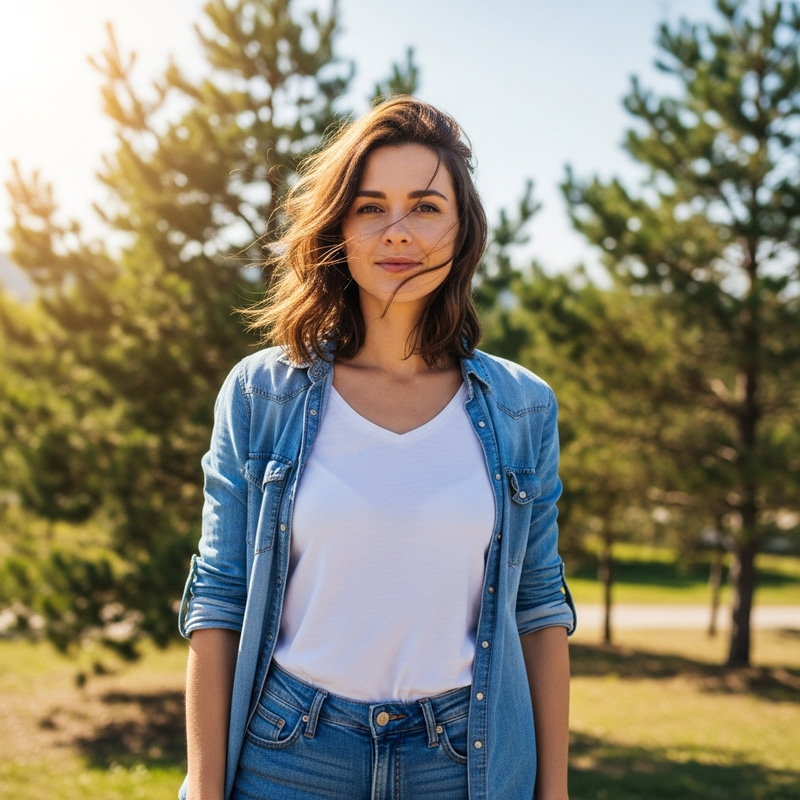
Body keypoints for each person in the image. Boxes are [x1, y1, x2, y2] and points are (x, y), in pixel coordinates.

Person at [179, 96, 575, 800]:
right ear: (340, 225)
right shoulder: (262, 394)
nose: (398, 232)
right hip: (290, 753)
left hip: (463, 759)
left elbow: (539, 609)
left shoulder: (521, 406)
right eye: (370, 207)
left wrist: (554, 791)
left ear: (462, 230)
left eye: (425, 207)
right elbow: (218, 599)